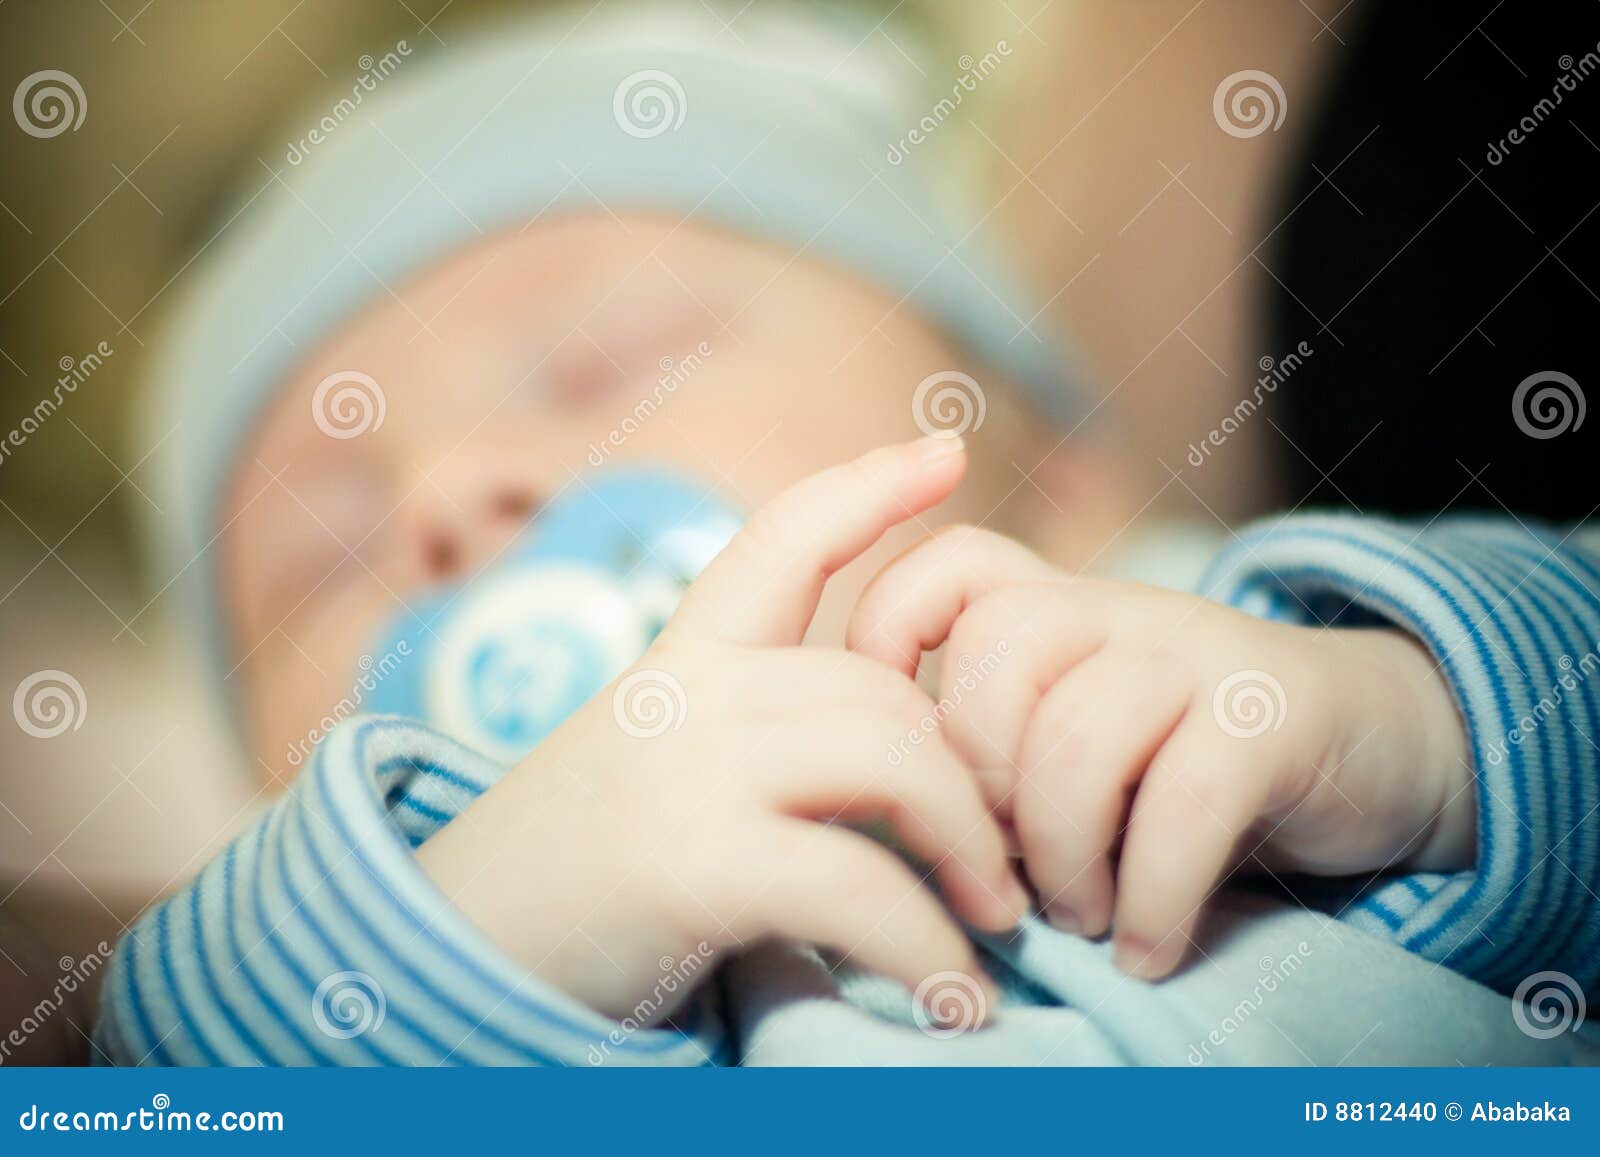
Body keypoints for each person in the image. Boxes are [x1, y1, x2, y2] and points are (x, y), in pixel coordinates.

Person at [97, 4, 1599, 1065]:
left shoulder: (1253, 644)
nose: (443, 498)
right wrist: (480, 930)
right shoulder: (375, 984)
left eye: (607, 360)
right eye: (319, 552)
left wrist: (1414, 730)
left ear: (1062, 472)